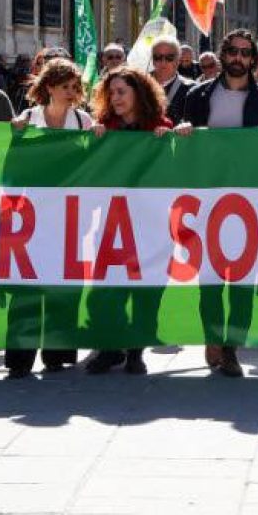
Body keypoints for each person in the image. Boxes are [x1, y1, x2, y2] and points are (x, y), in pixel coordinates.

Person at [172, 31, 258, 378]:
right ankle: (213, 338)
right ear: (222, 55)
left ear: (253, 59)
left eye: (245, 53)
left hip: (249, 201)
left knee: (241, 280)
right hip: (207, 198)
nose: (238, 58)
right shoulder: (197, 95)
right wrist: (184, 132)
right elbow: (180, 141)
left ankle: (232, 347)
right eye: (232, 52)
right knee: (209, 278)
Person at [80, 68, 177, 375]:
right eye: (111, 93)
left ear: (139, 93)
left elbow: (173, 170)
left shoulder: (161, 127)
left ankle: (136, 351)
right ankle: (110, 348)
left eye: (122, 91)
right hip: (113, 222)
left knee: (147, 289)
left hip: (151, 222)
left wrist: (169, 142)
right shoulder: (104, 128)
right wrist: (95, 144)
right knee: (105, 291)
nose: (116, 98)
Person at [0, 57, 92, 379]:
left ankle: (58, 352)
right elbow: (10, 165)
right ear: (49, 87)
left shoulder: (83, 122)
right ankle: (20, 358)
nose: (71, 92)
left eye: (74, 87)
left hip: (69, 215)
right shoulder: (27, 118)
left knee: (63, 281)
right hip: (31, 214)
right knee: (26, 284)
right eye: (65, 86)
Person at [148, 36, 188, 108]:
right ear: (152, 60)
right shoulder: (139, 85)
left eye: (169, 58)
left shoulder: (190, 89)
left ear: (178, 60)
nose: (163, 62)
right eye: (157, 57)